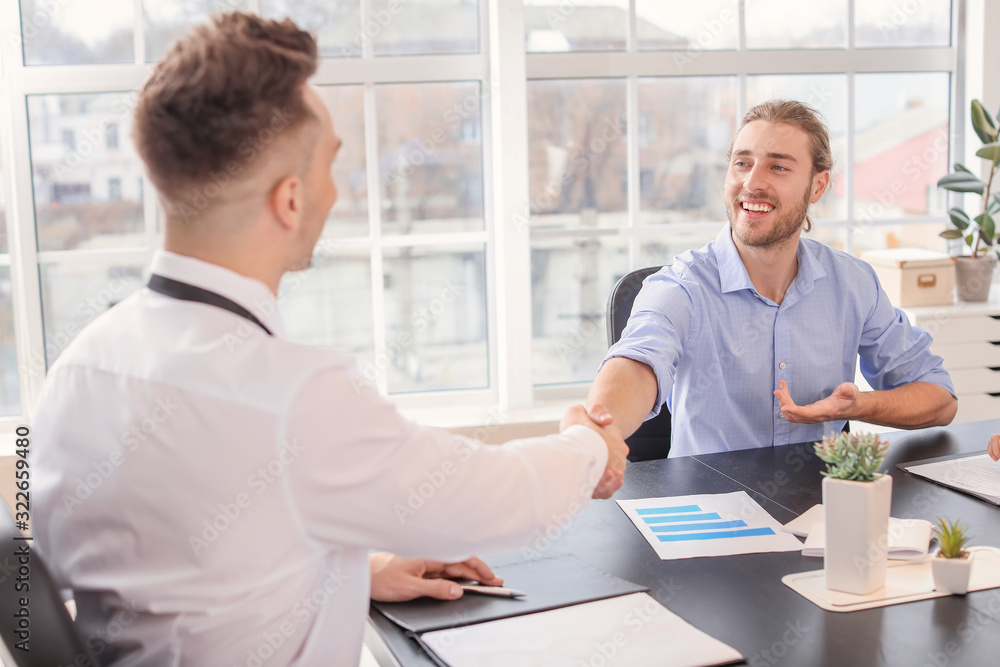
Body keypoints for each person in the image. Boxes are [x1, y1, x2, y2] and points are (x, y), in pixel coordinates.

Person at [29, 12, 627, 667]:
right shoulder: (290, 397)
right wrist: (589, 443)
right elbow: (498, 496)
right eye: (332, 163)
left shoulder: (78, 368)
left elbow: (155, 578)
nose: (337, 191)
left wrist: (351, 568)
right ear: (289, 200)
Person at [587, 99, 957, 457]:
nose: (752, 183)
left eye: (778, 167)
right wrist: (596, 430)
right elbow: (637, 363)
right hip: (709, 506)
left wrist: (859, 406)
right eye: (742, 163)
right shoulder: (682, 287)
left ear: (817, 186)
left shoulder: (852, 282)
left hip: (819, 505)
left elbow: (940, 398)